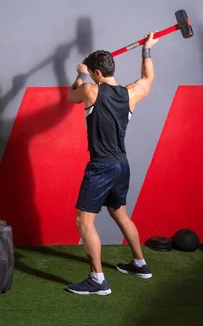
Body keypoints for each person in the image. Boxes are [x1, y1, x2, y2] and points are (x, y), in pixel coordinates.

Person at [65, 32, 158, 295]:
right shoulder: (131, 93)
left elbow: (71, 97)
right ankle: (140, 264)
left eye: (91, 73)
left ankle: (97, 280)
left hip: (101, 167)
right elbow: (148, 78)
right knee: (120, 214)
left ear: (97, 73)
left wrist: (80, 75)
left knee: (84, 221)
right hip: (121, 165)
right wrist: (147, 50)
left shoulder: (90, 90)